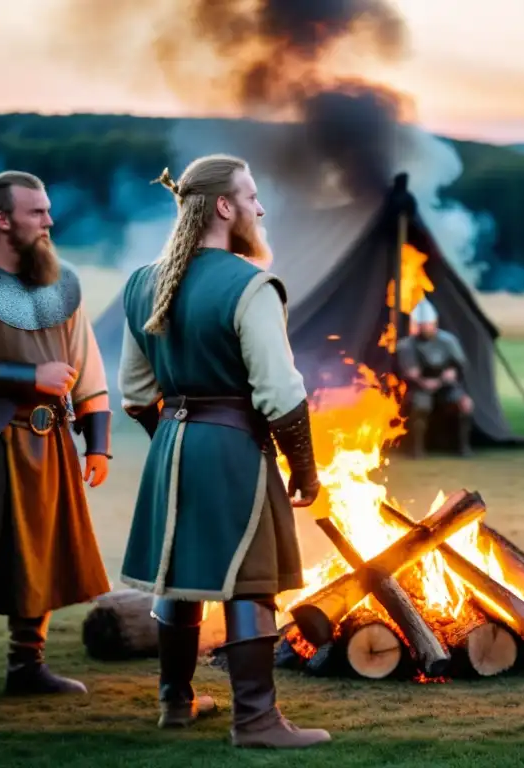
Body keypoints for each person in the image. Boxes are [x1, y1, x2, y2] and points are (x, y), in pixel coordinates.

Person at [117, 154, 331, 749]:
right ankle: (256, 722)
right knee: (250, 583)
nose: (261, 209)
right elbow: (280, 392)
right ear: (223, 206)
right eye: (252, 196)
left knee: (180, 575)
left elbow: (137, 391)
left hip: (172, 443)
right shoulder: (250, 284)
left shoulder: (141, 282)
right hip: (234, 444)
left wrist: (174, 445)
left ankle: (177, 702)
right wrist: (305, 470)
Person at [0, 172, 113, 714]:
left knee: (42, 553)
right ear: (2, 220)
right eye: (37, 213)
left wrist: (96, 443)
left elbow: (85, 366)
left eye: (49, 210)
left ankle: (27, 665)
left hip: (47, 443)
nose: (50, 221)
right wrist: (28, 378)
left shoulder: (64, 282)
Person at [396, 298, 474, 457]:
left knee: (464, 404)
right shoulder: (406, 346)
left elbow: (460, 365)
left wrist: (451, 374)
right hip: (419, 387)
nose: (424, 328)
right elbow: (411, 373)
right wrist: (423, 381)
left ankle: (463, 447)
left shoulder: (448, 341)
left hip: (446, 386)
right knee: (420, 406)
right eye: (421, 325)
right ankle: (416, 449)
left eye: (427, 324)